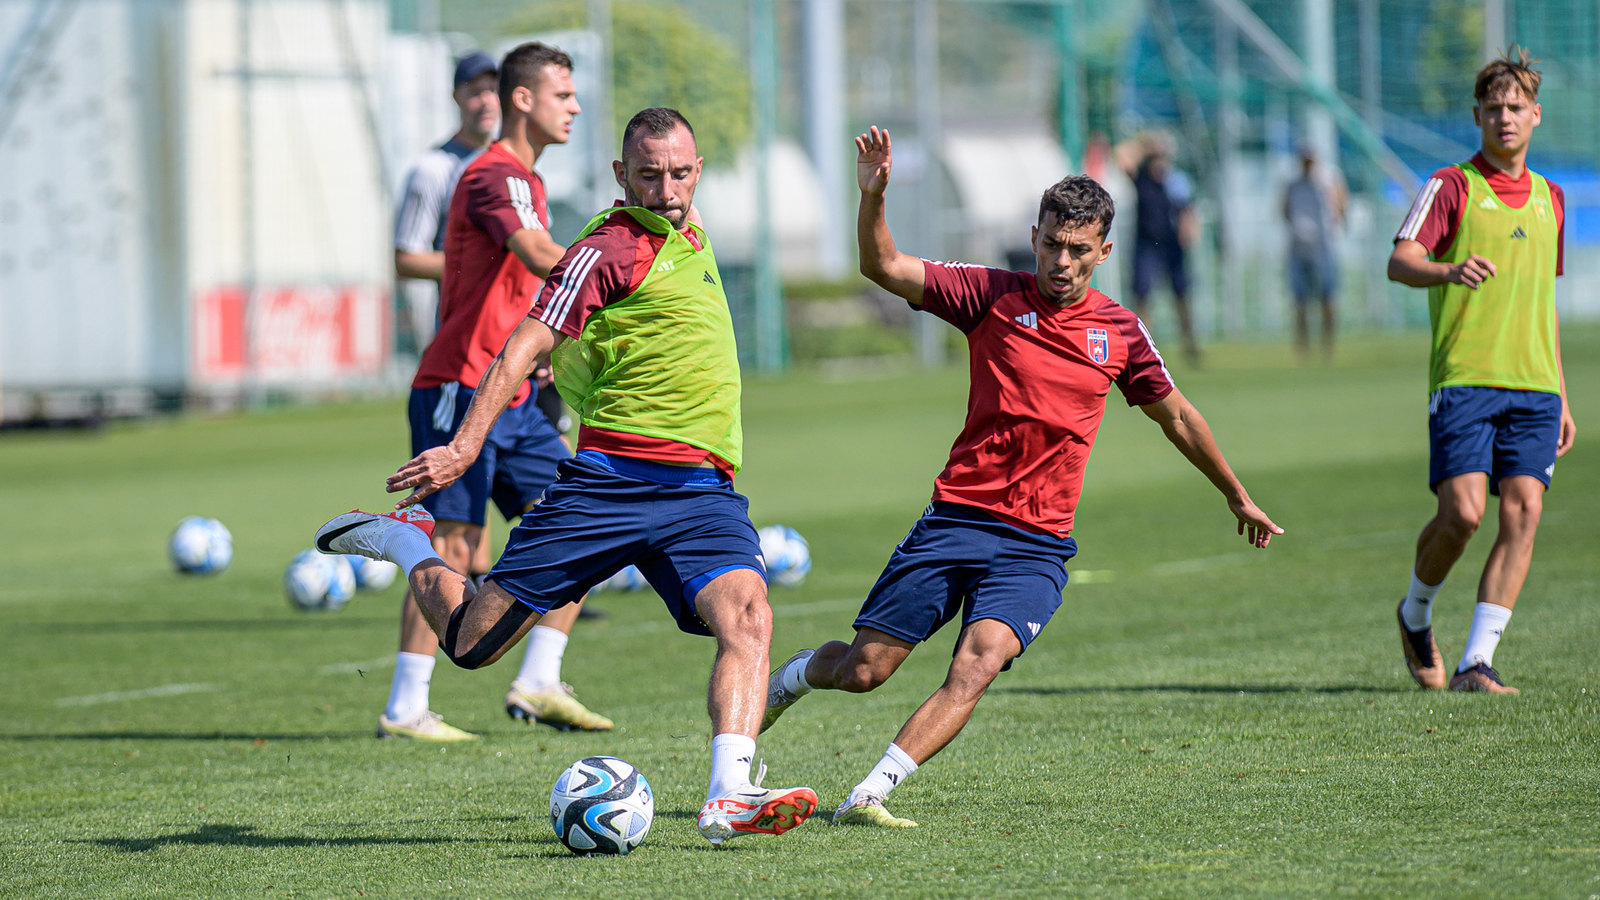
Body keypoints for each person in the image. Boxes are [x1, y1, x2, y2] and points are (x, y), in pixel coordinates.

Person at [318, 107, 818, 846]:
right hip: (610, 485)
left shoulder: (692, 232)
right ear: (622, 175)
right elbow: (522, 344)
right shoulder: (606, 247)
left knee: (748, 618)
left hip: (702, 489)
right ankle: (404, 543)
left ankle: (729, 795)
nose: (668, 190)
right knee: (473, 645)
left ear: (698, 171)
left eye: (681, 173)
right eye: (649, 175)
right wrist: (463, 446)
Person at [759, 127, 1282, 828]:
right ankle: (793, 677)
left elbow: (1179, 417)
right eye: (1052, 244)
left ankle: (869, 794)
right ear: (1034, 237)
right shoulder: (988, 295)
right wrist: (872, 196)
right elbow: (882, 265)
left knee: (976, 665)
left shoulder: (1120, 332)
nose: (1062, 262)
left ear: (1104, 251)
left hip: (1037, 545)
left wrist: (1236, 494)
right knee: (864, 671)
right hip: (956, 520)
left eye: (1079, 250)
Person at [377, 42, 613, 742]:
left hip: (512, 394)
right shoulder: (493, 174)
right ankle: (405, 707)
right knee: (454, 546)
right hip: (459, 384)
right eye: (563, 95)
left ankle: (538, 682)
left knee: (579, 524)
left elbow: (528, 287)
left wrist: (549, 350)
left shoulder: (528, 180)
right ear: (524, 99)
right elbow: (539, 256)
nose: (575, 107)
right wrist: (623, 287)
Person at [1387, 48, 1576, 694]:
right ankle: (1415, 613)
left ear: (1536, 115)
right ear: (1476, 116)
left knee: (1524, 514)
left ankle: (1477, 662)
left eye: (1516, 107)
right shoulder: (1452, 186)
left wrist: (1562, 393)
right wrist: (1447, 269)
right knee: (1463, 515)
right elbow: (1401, 260)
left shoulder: (1552, 199)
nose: (1505, 118)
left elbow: (1542, 302)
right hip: (1465, 378)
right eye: (1493, 108)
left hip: (1536, 386)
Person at [1123, 133, 1200, 365]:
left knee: (1181, 294)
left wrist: (1189, 232)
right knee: (1143, 294)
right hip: (1146, 246)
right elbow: (1122, 156)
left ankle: (1189, 343)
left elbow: (1187, 209)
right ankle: (1144, 344)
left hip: (1171, 245)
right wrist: (1145, 144)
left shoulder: (1176, 181)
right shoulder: (1141, 178)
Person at [1283, 142, 1346, 362]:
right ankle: (1303, 347)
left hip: (1323, 246)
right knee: (1300, 299)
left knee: (1327, 296)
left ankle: (1328, 344)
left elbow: (1340, 202)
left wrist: (1338, 225)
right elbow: (1285, 208)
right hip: (1299, 246)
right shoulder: (1293, 183)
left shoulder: (1327, 179)